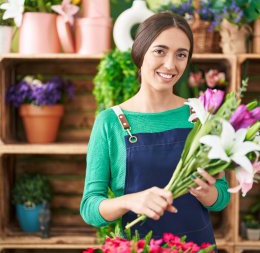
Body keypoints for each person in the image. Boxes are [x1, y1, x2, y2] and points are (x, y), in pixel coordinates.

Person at [80, 12, 230, 246]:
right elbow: (90, 208)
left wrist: (209, 194)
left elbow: (221, 194)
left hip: (197, 248)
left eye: (181, 55)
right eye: (160, 51)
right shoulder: (111, 122)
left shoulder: (201, 115)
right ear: (141, 52)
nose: (170, 64)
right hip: (138, 248)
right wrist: (130, 201)